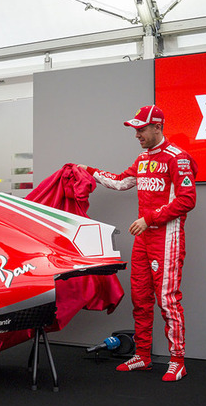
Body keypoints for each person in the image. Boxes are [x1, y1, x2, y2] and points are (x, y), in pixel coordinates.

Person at [78, 105, 197, 381]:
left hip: (166, 238)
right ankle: (142, 355)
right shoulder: (143, 159)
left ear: (158, 127)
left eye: (141, 129)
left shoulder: (178, 159)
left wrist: (150, 218)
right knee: (140, 297)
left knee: (167, 300)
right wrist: (89, 170)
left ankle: (177, 360)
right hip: (143, 239)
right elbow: (121, 182)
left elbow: (187, 200)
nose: (137, 134)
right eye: (135, 130)